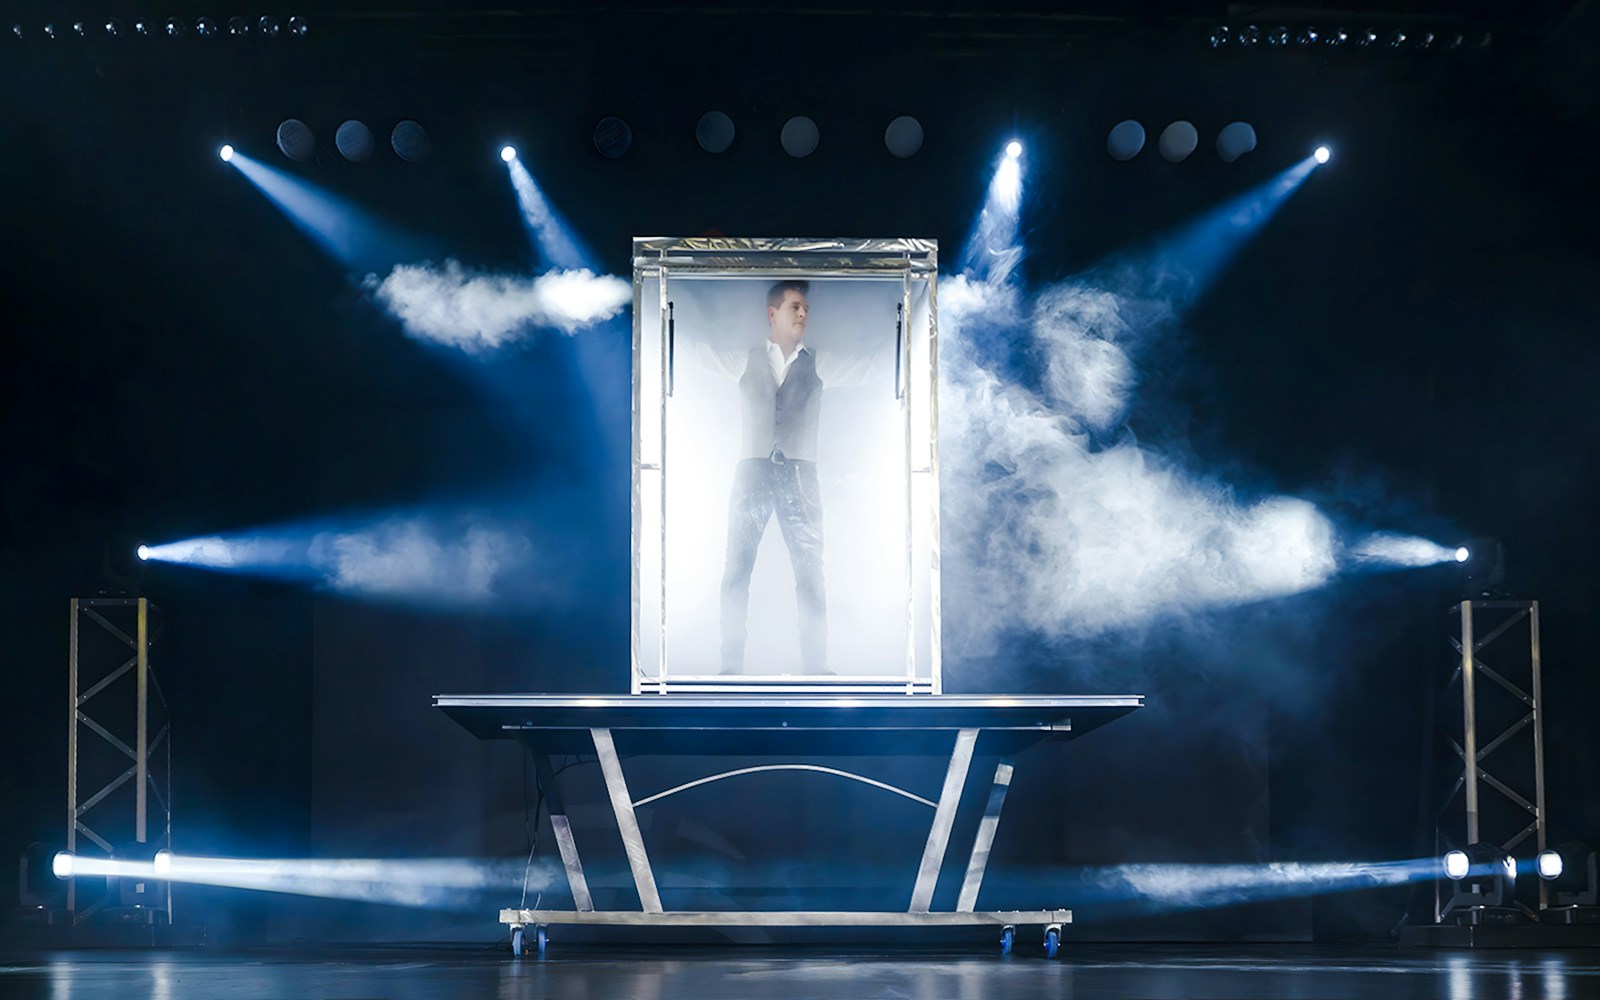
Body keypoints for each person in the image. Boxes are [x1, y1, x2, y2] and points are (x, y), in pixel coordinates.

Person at [696, 280, 891, 675]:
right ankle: (730, 665)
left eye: (806, 309)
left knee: (809, 572)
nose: (803, 314)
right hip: (751, 472)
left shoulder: (818, 362)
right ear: (773, 314)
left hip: (801, 476)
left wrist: (909, 333)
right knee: (736, 568)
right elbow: (697, 356)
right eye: (795, 307)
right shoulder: (744, 360)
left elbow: (869, 370)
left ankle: (815, 666)